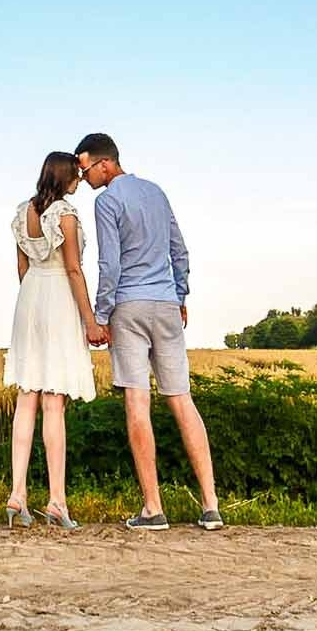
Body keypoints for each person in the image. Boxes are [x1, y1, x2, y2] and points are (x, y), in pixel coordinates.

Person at [75, 131, 222, 530]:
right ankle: (210, 506)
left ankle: (153, 509)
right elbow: (180, 250)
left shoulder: (108, 201)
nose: (85, 179)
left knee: (137, 404)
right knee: (182, 400)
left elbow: (111, 265)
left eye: (86, 169)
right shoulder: (156, 192)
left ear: (106, 163)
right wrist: (179, 295)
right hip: (167, 307)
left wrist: (102, 315)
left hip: (129, 307)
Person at [1, 149, 95, 528]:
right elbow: (73, 268)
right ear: (64, 177)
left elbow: (22, 266)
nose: (79, 180)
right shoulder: (66, 215)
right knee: (53, 402)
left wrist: (32, 301)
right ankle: (57, 500)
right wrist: (89, 319)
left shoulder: (23, 212)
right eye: (75, 175)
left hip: (30, 299)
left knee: (27, 398)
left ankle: (17, 495)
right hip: (58, 297)